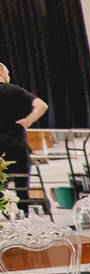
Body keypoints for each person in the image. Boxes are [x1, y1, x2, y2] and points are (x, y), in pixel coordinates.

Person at [0, 63, 48, 214]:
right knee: (22, 187)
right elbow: (41, 105)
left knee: (2, 188)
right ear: (1, 74)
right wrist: (28, 120)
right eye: (8, 73)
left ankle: (6, 218)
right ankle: (24, 219)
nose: (9, 76)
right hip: (17, 145)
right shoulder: (14, 90)